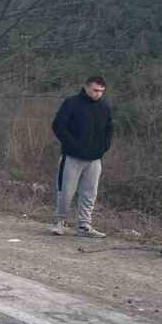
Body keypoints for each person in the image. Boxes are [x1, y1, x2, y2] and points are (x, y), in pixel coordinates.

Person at [51, 76, 113, 238]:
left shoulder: (104, 107)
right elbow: (58, 126)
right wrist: (71, 144)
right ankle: (60, 221)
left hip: (94, 157)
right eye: (95, 90)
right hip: (72, 156)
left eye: (101, 91)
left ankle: (84, 225)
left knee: (90, 192)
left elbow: (109, 128)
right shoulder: (71, 103)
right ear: (86, 87)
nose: (97, 94)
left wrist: (104, 146)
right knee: (65, 190)